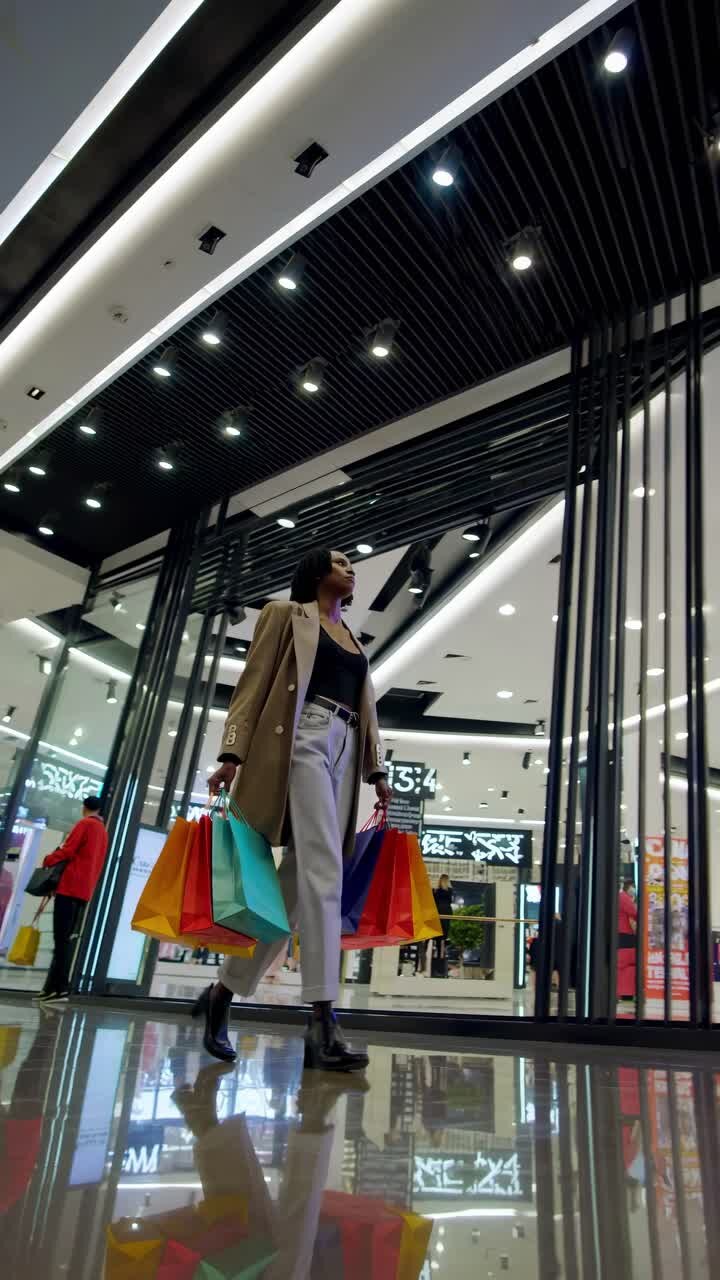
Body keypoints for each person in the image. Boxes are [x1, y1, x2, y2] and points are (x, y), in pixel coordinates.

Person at [205, 548, 392, 1071]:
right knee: (324, 870)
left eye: (353, 563)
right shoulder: (285, 615)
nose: (350, 567)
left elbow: (365, 708)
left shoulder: (354, 640)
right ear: (314, 571)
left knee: (294, 886)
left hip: (346, 748)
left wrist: (376, 769)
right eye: (339, 560)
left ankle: (223, 992)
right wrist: (231, 754)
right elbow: (253, 685)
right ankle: (323, 1020)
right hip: (303, 739)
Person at [37, 794, 108, 1003]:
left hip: (69, 888)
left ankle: (61, 989)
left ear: (84, 807)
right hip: (83, 891)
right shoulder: (103, 832)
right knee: (64, 939)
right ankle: (51, 988)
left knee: (60, 941)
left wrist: (48, 860)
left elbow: (68, 850)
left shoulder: (84, 824)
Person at [617, 878, 638, 1000]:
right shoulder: (624, 898)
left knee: (621, 966)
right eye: (633, 887)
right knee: (627, 964)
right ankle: (626, 992)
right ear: (629, 886)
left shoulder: (620, 897)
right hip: (625, 935)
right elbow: (635, 913)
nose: (633, 890)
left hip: (620, 935)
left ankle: (623, 992)